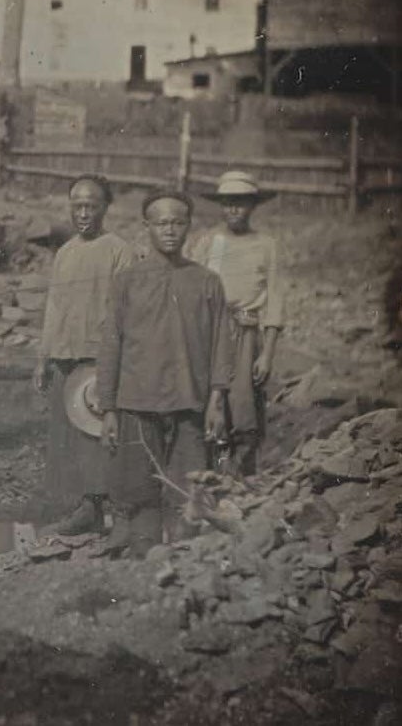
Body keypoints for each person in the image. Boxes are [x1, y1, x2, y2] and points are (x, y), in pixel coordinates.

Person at [97, 192, 233, 557]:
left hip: (190, 401)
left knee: (188, 486)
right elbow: (111, 344)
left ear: (188, 226)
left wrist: (217, 399)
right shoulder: (126, 281)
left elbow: (221, 342)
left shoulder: (207, 281)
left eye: (178, 222)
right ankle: (146, 557)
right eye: (161, 223)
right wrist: (108, 409)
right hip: (138, 402)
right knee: (138, 486)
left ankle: (184, 558)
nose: (170, 230)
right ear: (147, 227)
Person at [35, 175, 134, 535]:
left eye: (90, 206)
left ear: (105, 207)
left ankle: (115, 510)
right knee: (67, 434)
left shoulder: (119, 250)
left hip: (98, 358)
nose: (83, 214)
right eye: (77, 206)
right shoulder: (65, 252)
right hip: (65, 353)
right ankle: (82, 508)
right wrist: (44, 356)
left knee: (99, 432)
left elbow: (126, 312)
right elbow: (54, 306)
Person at [187, 171, 282, 476]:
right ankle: (212, 473)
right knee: (210, 400)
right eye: (228, 202)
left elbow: (275, 299)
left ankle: (242, 477)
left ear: (253, 206)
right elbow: (193, 290)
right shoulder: (208, 242)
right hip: (211, 332)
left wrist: (267, 353)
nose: (234, 209)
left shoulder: (266, 244)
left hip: (245, 332)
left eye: (241, 203)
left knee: (242, 403)